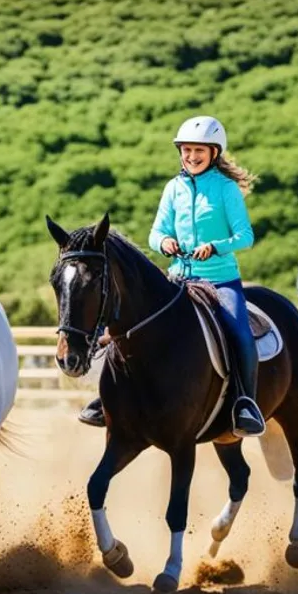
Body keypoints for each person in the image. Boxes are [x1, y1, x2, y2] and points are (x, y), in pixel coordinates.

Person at [79, 115, 263, 438]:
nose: (191, 156)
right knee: (128, 329)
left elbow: (245, 236)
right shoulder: (173, 188)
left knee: (240, 332)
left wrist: (216, 246)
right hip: (177, 280)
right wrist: (164, 242)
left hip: (220, 282)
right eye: (187, 150)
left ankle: (245, 403)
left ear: (214, 153)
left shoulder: (226, 190)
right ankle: (107, 398)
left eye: (199, 151)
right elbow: (155, 234)